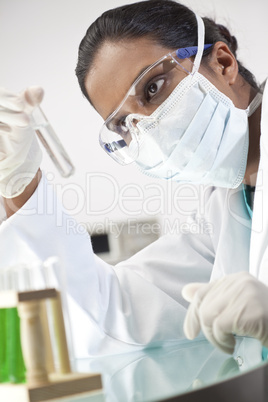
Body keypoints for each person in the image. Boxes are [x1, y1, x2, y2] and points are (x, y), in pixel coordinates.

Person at [0, 0, 267, 358]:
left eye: (153, 88)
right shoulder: (224, 208)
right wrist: (19, 183)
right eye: (123, 124)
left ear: (223, 63)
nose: (147, 127)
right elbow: (115, 314)